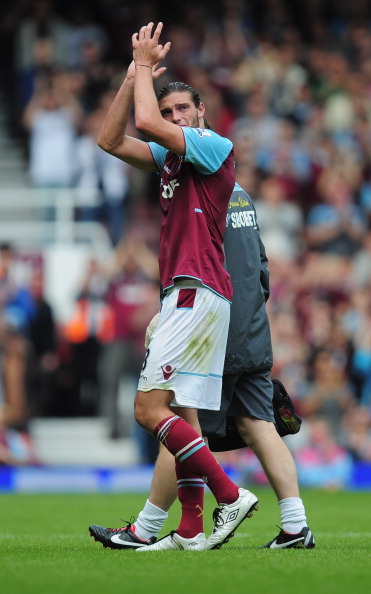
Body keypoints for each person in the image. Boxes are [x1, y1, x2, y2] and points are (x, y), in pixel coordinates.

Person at [93, 21, 259, 552]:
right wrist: (130, 77)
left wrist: (144, 69)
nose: (172, 119)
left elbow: (142, 121)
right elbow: (110, 139)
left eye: (181, 110)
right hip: (188, 294)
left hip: (198, 288)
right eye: (168, 114)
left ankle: (230, 495)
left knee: (148, 410)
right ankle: (186, 530)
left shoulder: (212, 146)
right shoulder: (172, 157)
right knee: (184, 411)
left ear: (201, 114)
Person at [89, 182, 315, 551]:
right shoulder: (242, 192)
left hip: (215, 326)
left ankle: (146, 529)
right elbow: (261, 264)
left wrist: (173, 317)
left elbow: (193, 262)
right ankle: (295, 527)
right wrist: (252, 315)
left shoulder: (201, 193)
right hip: (253, 327)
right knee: (260, 424)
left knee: (182, 426)